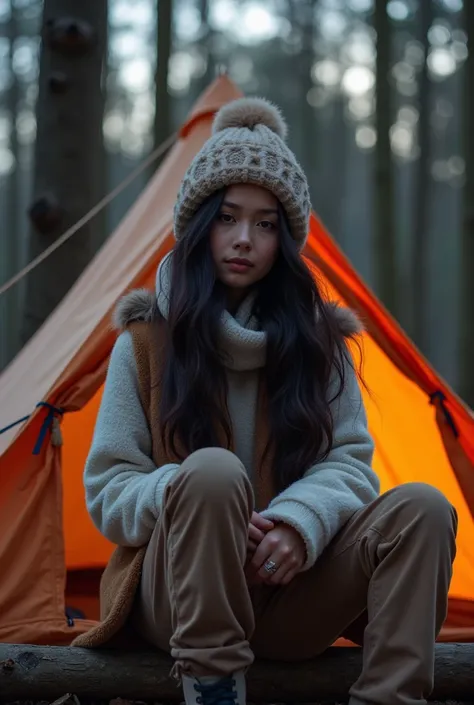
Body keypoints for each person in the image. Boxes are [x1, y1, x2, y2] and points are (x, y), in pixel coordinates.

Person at [73, 97, 458, 705]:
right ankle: (213, 689)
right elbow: (109, 491)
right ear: (201, 224)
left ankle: (391, 698)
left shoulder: (319, 344)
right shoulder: (146, 342)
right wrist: (183, 495)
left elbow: (351, 466)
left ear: (285, 238)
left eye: (266, 223)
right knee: (212, 472)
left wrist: (297, 524)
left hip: (289, 597)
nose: (244, 239)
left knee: (424, 509)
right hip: (175, 600)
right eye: (227, 217)